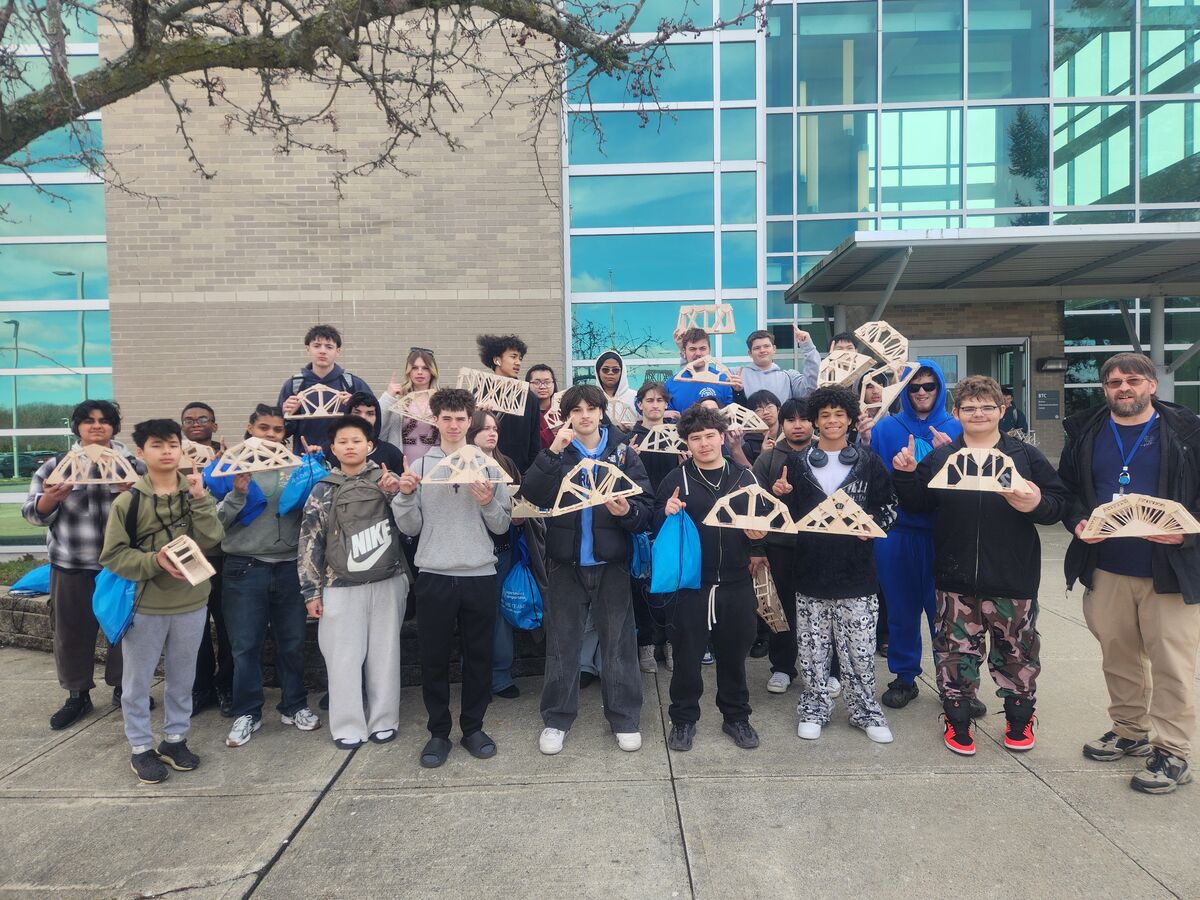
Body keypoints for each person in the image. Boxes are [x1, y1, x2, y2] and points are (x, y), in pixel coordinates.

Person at [891, 375, 1068, 756]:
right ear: (957, 413)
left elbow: (1057, 504)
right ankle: (958, 724)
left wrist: (1035, 504)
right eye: (969, 407)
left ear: (1002, 409)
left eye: (987, 407)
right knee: (955, 653)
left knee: (1017, 652)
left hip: (1012, 576)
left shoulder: (1024, 456)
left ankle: (1019, 722)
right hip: (955, 576)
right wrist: (905, 474)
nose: (979, 414)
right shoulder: (942, 456)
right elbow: (918, 504)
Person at [1059, 352, 1200, 794]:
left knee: (1172, 663)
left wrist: (1186, 535)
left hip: (1168, 570)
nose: (1124, 387)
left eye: (1133, 380)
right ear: (1105, 389)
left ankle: (1174, 752)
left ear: (1152, 385)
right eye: (1114, 381)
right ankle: (1129, 730)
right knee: (1118, 656)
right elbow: (1068, 492)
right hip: (1107, 567)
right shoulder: (1087, 432)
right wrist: (1077, 522)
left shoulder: (1186, 433)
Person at [522, 385, 653, 756]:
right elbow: (534, 494)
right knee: (562, 643)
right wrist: (553, 451)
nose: (584, 415)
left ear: (602, 411)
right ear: (568, 415)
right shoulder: (559, 452)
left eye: (591, 408)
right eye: (576, 409)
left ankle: (625, 718)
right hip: (565, 562)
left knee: (619, 644)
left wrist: (627, 512)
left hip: (611, 562)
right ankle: (557, 719)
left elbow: (647, 504)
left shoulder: (623, 451)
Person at [393, 388, 512, 768]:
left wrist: (487, 501)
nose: (454, 424)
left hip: (479, 573)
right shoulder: (421, 466)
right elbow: (409, 527)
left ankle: (473, 727)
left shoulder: (489, 466)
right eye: (447, 418)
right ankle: (439, 732)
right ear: (436, 420)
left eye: (461, 418)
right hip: (435, 574)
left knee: (479, 656)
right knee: (434, 659)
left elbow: (502, 525)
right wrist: (406, 495)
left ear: (469, 420)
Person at [99, 418, 224, 784]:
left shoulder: (197, 492)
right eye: (157, 445)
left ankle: (174, 740)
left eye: (173, 444)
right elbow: (112, 555)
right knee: (137, 682)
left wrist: (201, 500)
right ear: (141, 453)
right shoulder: (128, 501)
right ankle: (140, 748)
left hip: (192, 601)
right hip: (146, 605)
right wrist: (154, 562)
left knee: (183, 678)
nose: (167, 451)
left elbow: (214, 539)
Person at [774, 385, 897, 744]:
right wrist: (781, 497)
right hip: (810, 573)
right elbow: (786, 518)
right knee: (813, 650)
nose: (831, 421)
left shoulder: (868, 461)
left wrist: (872, 528)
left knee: (859, 648)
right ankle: (814, 707)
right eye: (824, 415)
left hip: (857, 573)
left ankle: (865, 711)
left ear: (849, 421)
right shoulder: (796, 465)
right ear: (815, 421)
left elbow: (890, 507)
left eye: (838, 415)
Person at [23, 400, 143, 730]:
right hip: (71, 562)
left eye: (105, 421)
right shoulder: (56, 465)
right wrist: (51, 499)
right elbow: (32, 513)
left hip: (121, 565)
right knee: (71, 631)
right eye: (88, 421)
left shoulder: (132, 464)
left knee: (125, 630)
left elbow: (153, 513)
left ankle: (124, 688)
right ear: (77, 426)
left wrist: (133, 495)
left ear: (114, 427)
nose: (97, 426)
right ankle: (78, 694)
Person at [655, 404, 766, 752]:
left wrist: (758, 542)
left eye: (709, 436)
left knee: (734, 654)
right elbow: (656, 529)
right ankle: (684, 719)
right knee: (687, 656)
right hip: (692, 584)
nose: (703, 444)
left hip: (736, 580)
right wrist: (665, 513)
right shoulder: (677, 480)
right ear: (687, 443)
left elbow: (763, 526)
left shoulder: (744, 477)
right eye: (695, 438)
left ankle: (736, 717)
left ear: (722, 437)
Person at [299, 416, 409, 750]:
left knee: (385, 652)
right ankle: (347, 725)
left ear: (370, 445)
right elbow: (309, 541)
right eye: (343, 441)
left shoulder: (386, 480)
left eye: (357, 440)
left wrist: (399, 494)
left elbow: (408, 525)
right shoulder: (322, 487)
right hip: (338, 584)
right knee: (342, 657)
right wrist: (310, 590)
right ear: (333, 449)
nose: (350, 446)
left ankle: (384, 720)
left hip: (388, 577)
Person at [220, 404, 321, 748]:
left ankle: (294, 705)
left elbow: (313, 510)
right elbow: (213, 523)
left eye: (278, 430)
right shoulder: (230, 466)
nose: (271, 435)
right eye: (264, 427)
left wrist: (315, 468)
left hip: (290, 566)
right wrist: (237, 493)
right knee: (244, 646)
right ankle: (247, 711)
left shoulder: (297, 466)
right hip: (244, 567)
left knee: (292, 642)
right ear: (250, 428)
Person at [868, 360, 962, 710]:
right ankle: (905, 677)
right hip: (897, 533)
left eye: (929, 386)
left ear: (940, 389)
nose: (921, 392)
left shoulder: (957, 427)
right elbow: (875, 481)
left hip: (943, 533)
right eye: (914, 387)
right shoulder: (886, 428)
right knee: (902, 610)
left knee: (946, 613)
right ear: (904, 391)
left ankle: (954, 683)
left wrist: (950, 453)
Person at [754, 397, 820, 694]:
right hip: (778, 546)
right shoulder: (768, 459)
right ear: (782, 423)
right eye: (791, 419)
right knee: (779, 610)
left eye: (803, 418)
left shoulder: (825, 452)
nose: (798, 425)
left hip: (820, 546)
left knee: (821, 610)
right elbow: (753, 505)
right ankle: (782, 667)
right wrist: (774, 492)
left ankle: (827, 670)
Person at [180, 401, 233, 718]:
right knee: (194, 628)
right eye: (189, 419)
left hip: (223, 556)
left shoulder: (228, 458)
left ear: (214, 424)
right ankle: (201, 688)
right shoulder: (175, 460)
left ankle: (226, 686)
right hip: (188, 556)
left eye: (203, 419)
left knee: (228, 626)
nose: (196, 423)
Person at [467, 409, 522, 700]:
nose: (491, 433)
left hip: (502, 549)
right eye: (484, 428)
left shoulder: (506, 463)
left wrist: (519, 515)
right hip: (469, 553)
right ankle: (475, 678)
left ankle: (501, 676)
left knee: (501, 616)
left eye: (495, 429)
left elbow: (516, 503)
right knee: (474, 618)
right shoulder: (460, 464)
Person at [628, 381, 681, 673]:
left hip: (671, 515)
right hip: (641, 518)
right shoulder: (629, 439)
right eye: (649, 400)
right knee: (641, 584)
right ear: (640, 404)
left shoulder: (678, 437)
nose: (655, 405)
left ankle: (670, 643)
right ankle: (646, 645)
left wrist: (685, 461)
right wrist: (627, 457)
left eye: (661, 400)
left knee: (670, 581)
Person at [277, 324, 373, 453]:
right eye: (316, 346)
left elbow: (373, 426)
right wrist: (287, 416)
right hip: (306, 459)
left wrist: (357, 409)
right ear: (307, 349)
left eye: (329, 347)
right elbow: (281, 433)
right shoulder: (294, 385)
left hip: (345, 460)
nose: (322, 351)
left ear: (338, 351)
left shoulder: (353, 384)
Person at [476, 334, 541, 472]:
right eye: (513, 357)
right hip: (481, 470)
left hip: (518, 472)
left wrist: (528, 475)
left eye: (520, 358)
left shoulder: (529, 397)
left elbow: (534, 444)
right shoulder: (478, 393)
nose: (518, 362)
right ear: (497, 360)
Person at [379, 348, 439, 466]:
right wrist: (388, 397)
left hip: (435, 466)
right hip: (403, 466)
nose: (420, 372)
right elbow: (378, 428)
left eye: (425, 368)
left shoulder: (442, 400)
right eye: (415, 368)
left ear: (432, 371)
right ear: (408, 371)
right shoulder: (398, 399)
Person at [738, 327, 819, 405]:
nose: (762, 350)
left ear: (774, 349)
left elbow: (810, 389)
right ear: (750, 353)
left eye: (766, 346)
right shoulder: (737, 376)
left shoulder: (789, 377)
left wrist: (808, 347)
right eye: (757, 348)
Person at [668, 328, 734, 414]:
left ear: (709, 350)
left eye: (703, 348)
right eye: (692, 349)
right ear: (684, 351)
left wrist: (739, 392)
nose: (698, 353)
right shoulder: (671, 384)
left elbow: (732, 415)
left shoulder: (723, 380)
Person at [346, 391, 406, 472]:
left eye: (370, 413)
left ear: (377, 417)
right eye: (357, 413)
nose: (363, 418)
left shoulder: (391, 453)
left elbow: (402, 482)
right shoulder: (329, 451)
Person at [595, 350, 638, 426]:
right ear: (598, 372)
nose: (610, 373)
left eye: (615, 370)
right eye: (605, 370)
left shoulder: (635, 397)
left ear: (622, 372)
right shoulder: (590, 397)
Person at [742, 390, 781, 467]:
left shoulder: (789, 435)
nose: (766, 412)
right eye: (759, 410)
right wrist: (763, 455)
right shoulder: (749, 446)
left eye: (769, 407)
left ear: (778, 409)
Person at [526, 364, 559, 449]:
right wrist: (549, 433)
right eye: (537, 382)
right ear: (527, 384)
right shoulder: (523, 412)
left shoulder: (562, 410)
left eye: (547, 382)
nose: (543, 386)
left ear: (554, 384)